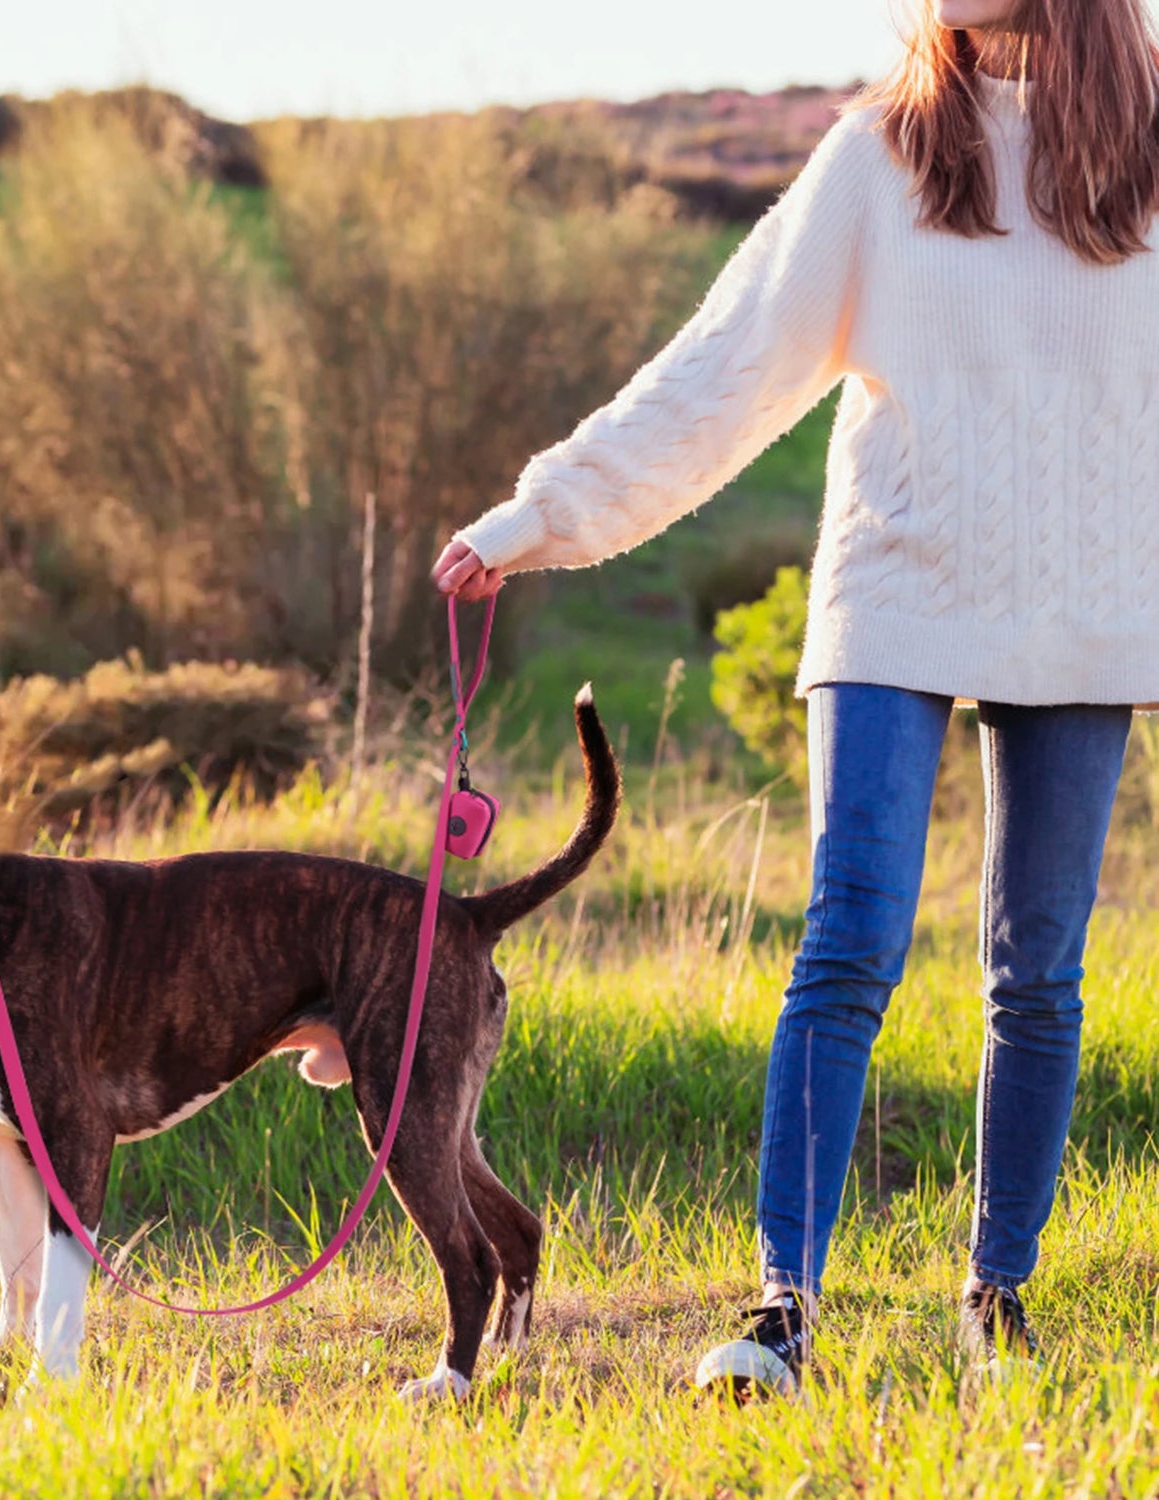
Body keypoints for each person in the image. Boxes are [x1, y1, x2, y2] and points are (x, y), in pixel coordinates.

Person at [433, 0, 1159, 1396]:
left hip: (1089, 612)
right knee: (848, 941)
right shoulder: (885, 153)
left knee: (1043, 974)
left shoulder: (1146, 152)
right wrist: (547, 513)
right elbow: (727, 369)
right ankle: (781, 1310)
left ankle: (996, 1299)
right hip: (896, 592)